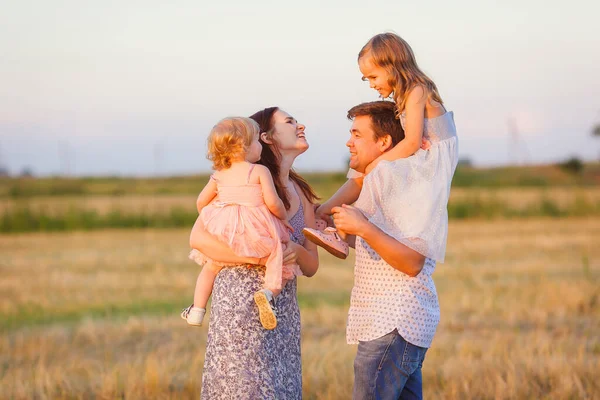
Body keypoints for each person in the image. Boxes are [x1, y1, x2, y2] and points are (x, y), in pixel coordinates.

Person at [318, 100, 457, 399]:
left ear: (384, 142)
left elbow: (412, 262)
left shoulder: (409, 183)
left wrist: (363, 227)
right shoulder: (383, 180)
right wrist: (347, 231)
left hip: (394, 324)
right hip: (392, 325)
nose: (348, 141)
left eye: (356, 134)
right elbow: (386, 244)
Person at [190, 107, 319, 399]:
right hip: (240, 307)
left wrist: (296, 250)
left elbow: (311, 265)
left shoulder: (302, 194)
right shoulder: (245, 185)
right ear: (266, 137)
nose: (300, 125)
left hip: (282, 312)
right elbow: (197, 237)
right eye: (290, 121)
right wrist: (265, 257)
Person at [306, 32, 458, 265]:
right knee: (366, 170)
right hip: (425, 153)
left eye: (373, 77)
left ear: (393, 66)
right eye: (366, 79)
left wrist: (376, 164)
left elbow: (412, 142)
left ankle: (345, 230)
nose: (372, 84)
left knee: (377, 171)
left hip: (431, 161)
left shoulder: (416, 90)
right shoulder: (407, 94)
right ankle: (328, 214)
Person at [181, 116, 300, 330]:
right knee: (275, 256)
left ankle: (197, 309)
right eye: (256, 141)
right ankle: (268, 292)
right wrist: (283, 218)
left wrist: (211, 219)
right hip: (255, 227)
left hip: (226, 228)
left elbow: (201, 201)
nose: (259, 146)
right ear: (242, 146)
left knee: (211, 266)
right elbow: (273, 202)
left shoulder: (219, 175)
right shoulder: (259, 171)